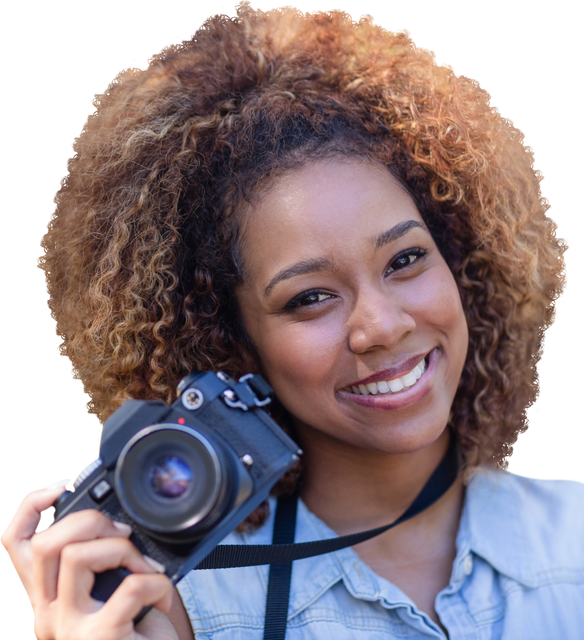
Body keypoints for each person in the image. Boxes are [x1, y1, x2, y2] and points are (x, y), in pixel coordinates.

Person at [2, 2, 581, 639]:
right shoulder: (171, 611)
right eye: (309, 298)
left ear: (462, 260)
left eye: (406, 259)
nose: (382, 326)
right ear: (229, 340)